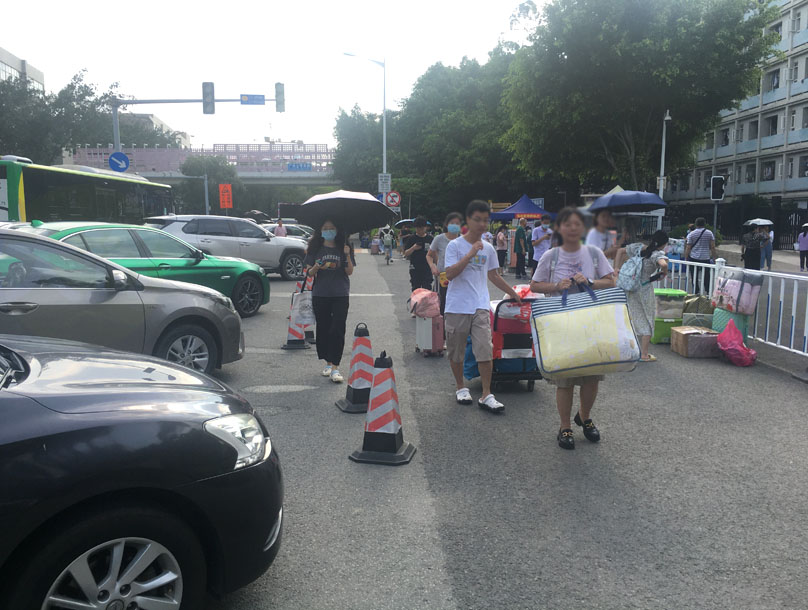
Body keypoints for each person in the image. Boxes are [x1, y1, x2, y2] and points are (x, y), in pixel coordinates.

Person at [529, 207, 616, 450]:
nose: (573, 228)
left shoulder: (594, 253)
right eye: (567, 224)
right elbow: (534, 285)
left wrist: (590, 281)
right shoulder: (551, 256)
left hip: (590, 321)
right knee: (565, 378)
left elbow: (611, 281)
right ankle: (565, 426)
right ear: (559, 228)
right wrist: (556, 285)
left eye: (577, 224)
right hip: (562, 323)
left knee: (592, 376)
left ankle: (584, 417)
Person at [444, 200, 522, 414]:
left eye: (485, 220)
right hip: (457, 306)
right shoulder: (454, 246)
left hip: (480, 305)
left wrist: (514, 293)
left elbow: (493, 275)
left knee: (485, 350)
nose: (481, 224)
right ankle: (461, 387)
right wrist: (470, 254)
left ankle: (486, 394)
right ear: (468, 221)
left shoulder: (488, 248)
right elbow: (449, 274)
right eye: (477, 220)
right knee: (456, 351)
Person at [304, 220, 355, 384]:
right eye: (325, 228)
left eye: (331, 228)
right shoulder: (315, 248)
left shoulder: (344, 247)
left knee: (338, 329)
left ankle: (335, 367)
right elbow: (309, 273)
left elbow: (350, 271)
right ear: (320, 230)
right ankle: (327, 362)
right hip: (321, 294)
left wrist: (347, 255)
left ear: (337, 230)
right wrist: (317, 267)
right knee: (324, 329)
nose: (328, 231)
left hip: (340, 294)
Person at [614, 231, 670, 363]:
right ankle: (644, 354)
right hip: (644, 289)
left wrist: (616, 268)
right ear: (663, 244)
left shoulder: (638, 248)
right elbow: (664, 264)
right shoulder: (656, 254)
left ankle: (627, 350)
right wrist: (664, 273)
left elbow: (620, 251)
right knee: (648, 319)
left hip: (631, 287)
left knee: (631, 316)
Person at [428, 212, 463, 314]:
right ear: (446, 225)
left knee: (458, 304)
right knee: (442, 303)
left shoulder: (463, 240)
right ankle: (442, 323)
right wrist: (432, 266)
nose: (455, 226)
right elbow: (429, 255)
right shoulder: (439, 239)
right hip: (443, 276)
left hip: (459, 278)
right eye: (452, 223)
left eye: (457, 223)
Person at [684, 217, 717, 292]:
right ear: (704, 224)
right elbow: (712, 247)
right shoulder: (709, 233)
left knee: (694, 276)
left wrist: (686, 258)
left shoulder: (691, 234)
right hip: (705, 257)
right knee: (706, 276)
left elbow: (688, 247)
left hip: (694, 257)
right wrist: (714, 258)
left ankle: (696, 291)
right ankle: (708, 291)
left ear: (696, 224)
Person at [403, 217, 433, 292]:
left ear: (426, 227)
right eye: (418, 229)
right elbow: (406, 253)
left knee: (427, 288)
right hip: (415, 267)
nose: (420, 231)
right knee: (416, 288)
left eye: (422, 229)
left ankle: (426, 300)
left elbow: (435, 253)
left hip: (427, 267)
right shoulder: (411, 238)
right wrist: (413, 248)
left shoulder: (430, 239)